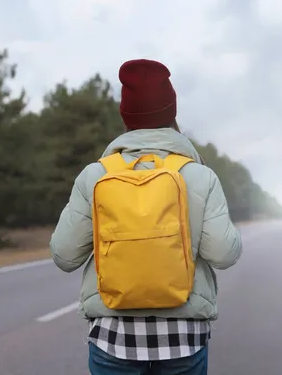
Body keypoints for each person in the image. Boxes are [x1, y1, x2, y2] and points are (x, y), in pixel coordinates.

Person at [49, 58, 243, 375]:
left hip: (114, 338)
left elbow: (65, 254)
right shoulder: (199, 176)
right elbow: (223, 253)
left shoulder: (95, 176)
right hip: (182, 339)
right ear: (171, 112)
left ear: (126, 116)